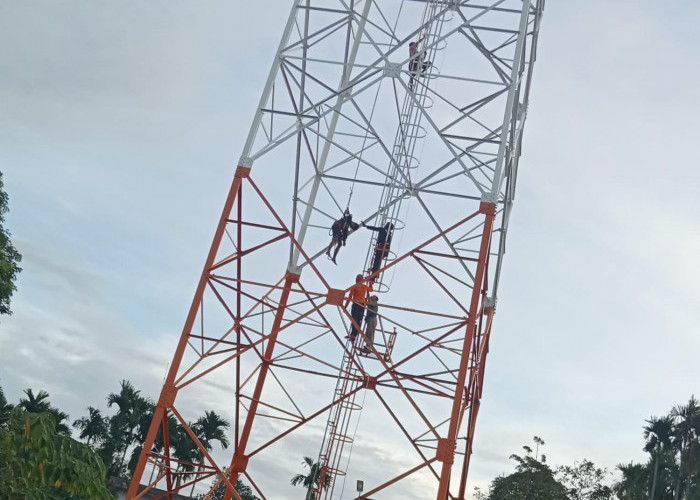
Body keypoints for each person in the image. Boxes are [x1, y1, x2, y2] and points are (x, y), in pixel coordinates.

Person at [345, 274, 372, 342]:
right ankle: (355, 334)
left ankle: (353, 334)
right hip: (362, 305)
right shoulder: (364, 286)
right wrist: (370, 283)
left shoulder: (355, 287)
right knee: (359, 320)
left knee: (354, 319)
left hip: (356, 304)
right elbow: (371, 289)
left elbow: (350, 297)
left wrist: (345, 306)